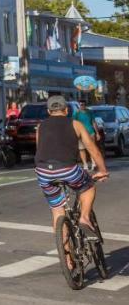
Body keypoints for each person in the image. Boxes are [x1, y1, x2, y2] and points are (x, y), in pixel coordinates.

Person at [34, 95, 107, 235]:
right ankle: (85, 217)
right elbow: (92, 149)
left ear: (49, 112)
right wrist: (102, 170)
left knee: (57, 211)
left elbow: (39, 149)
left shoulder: (40, 127)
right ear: (66, 110)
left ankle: (66, 257)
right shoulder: (75, 124)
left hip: (43, 172)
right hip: (67, 169)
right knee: (88, 187)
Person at [72, 101, 97, 169]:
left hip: (90, 132)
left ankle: (93, 163)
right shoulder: (76, 113)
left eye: (83, 104)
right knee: (82, 149)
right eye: (81, 105)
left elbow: (93, 122)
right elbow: (74, 123)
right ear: (79, 105)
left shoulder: (89, 112)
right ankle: (85, 164)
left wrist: (97, 133)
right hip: (81, 133)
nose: (82, 106)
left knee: (91, 148)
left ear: (86, 105)